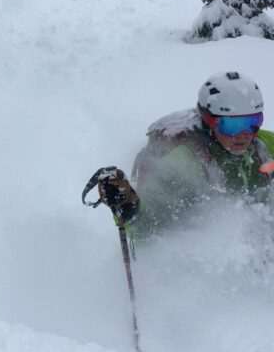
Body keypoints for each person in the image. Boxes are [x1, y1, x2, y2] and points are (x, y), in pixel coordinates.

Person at [97, 71, 274, 236]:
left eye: (252, 122)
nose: (244, 135)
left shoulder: (263, 144)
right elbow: (146, 229)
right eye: (232, 126)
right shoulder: (186, 162)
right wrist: (128, 208)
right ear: (209, 120)